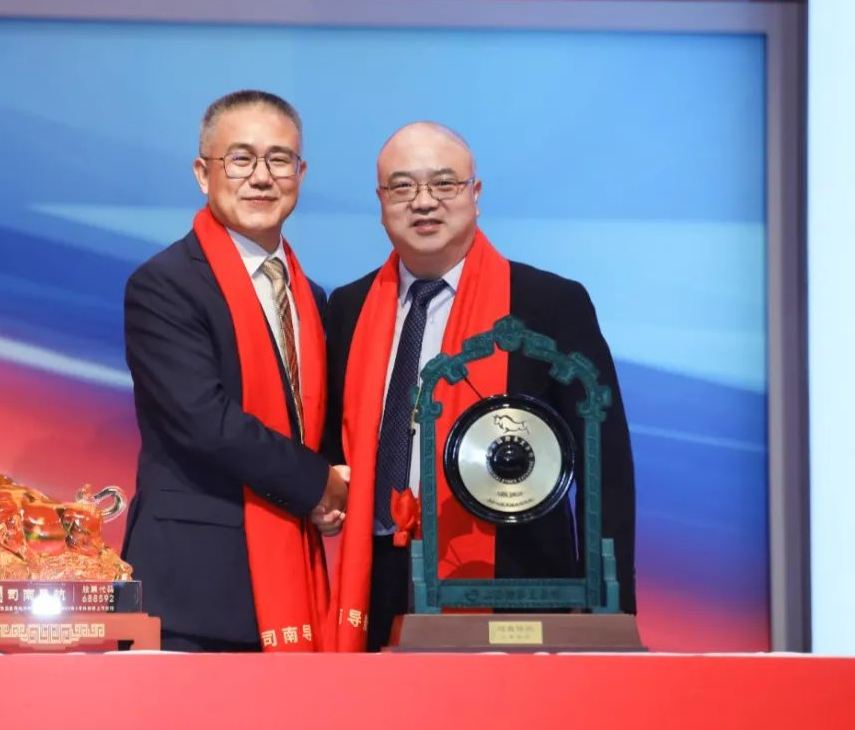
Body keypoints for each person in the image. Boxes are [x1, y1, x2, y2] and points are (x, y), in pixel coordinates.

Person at [323, 122, 635, 652]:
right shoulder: (348, 307)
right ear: (381, 202)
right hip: (378, 580)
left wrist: (612, 607)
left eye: (444, 183)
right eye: (402, 186)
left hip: (518, 583)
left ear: (476, 192)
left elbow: (606, 467)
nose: (424, 202)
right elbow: (337, 443)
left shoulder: (548, 304)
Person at [122, 90, 347, 652]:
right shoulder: (165, 285)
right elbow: (204, 421)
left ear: (300, 174)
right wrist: (319, 483)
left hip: (291, 574)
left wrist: (341, 485)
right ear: (204, 174)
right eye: (241, 159)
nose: (261, 177)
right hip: (191, 592)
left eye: (279, 160)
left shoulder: (310, 296)